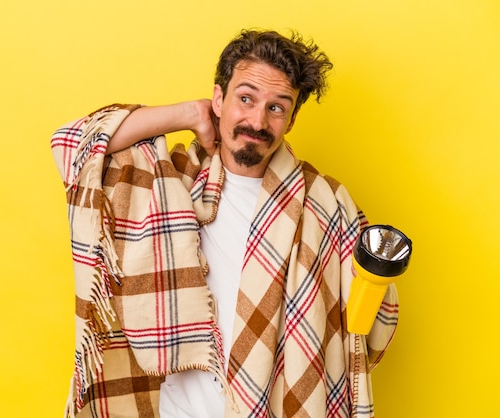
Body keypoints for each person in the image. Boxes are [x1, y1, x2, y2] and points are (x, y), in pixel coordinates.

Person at [51, 29, 398, 418]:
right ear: (219, 99)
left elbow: (371, 326)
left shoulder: (326, 204)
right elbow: (72, 146)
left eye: (277, 107)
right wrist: (189, 113)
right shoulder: (172, 184)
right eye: (245, 98)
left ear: (292, 119)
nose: (258, 120)